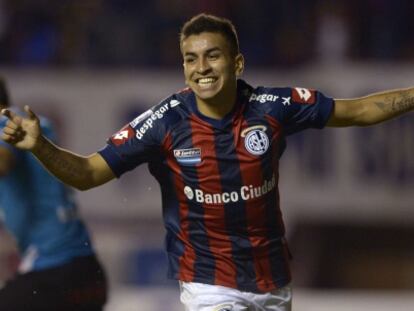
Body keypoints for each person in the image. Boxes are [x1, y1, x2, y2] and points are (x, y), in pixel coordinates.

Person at [1, 13, 413, 311]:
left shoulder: (273, 107)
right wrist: (40, 147)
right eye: (191, 58)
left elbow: (358, 111)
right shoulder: (164, 123)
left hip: (272, 282)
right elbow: (90, 173)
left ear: (236, 63)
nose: (201, 68)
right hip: (209, 286)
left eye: (212, 56)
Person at [0, 78, 107, 311]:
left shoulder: (8, 123)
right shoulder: (35, 124)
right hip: (85, 274)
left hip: (55, 274)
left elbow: (3, 162)